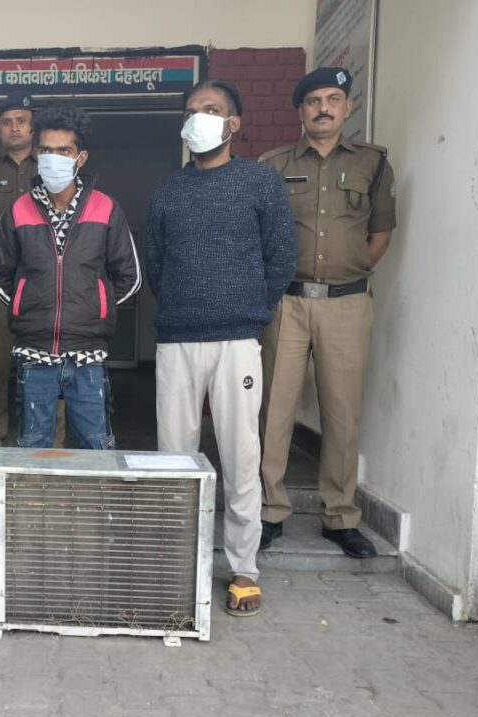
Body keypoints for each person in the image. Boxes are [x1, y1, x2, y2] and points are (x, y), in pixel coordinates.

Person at [147, 80, 296, 616]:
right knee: (174, 458)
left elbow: (281, 258)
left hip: (238, 339)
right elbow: (157, 263)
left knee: (240, 455)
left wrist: (250, 308)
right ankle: (176, 564)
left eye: (211, 110)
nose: (199, 119)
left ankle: (243, 567)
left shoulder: (260, 182)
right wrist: (184, 305)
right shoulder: (167, 190)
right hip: (178, 339)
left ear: (234, 123)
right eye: (191, 111)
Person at [258, 67, 397, 559]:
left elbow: (380, 235)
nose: (323, 108)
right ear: (301, 110)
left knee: (342, 412)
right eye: (314, 100)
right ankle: (269, 510)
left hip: (347, 303)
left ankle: (339, 516)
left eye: (333, 99)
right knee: (274, 409)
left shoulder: (373, 163)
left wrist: (347, 272)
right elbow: (261, 235)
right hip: (287, 302)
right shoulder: (273, 165)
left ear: (347, 107)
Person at [0, 104, 141, 450]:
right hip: (35, 352)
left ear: (81, 157)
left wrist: (95, 304)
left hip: (88, 354)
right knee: (34, 446)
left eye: (64, 151)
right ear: (36, 154)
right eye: (46, 150)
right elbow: (0, 275)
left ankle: (93, 492)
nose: (53, 159)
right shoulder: (18, 210)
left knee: (96, 446)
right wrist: (27, 303)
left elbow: (129, 276)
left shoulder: (105, 208)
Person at [0, 91, 65, 449]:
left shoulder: (53, 165)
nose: (15, 128)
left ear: (33, 126)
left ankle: (50, 448)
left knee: (50, 370)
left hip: (47, 286)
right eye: (7, 122)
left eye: (21, 121)